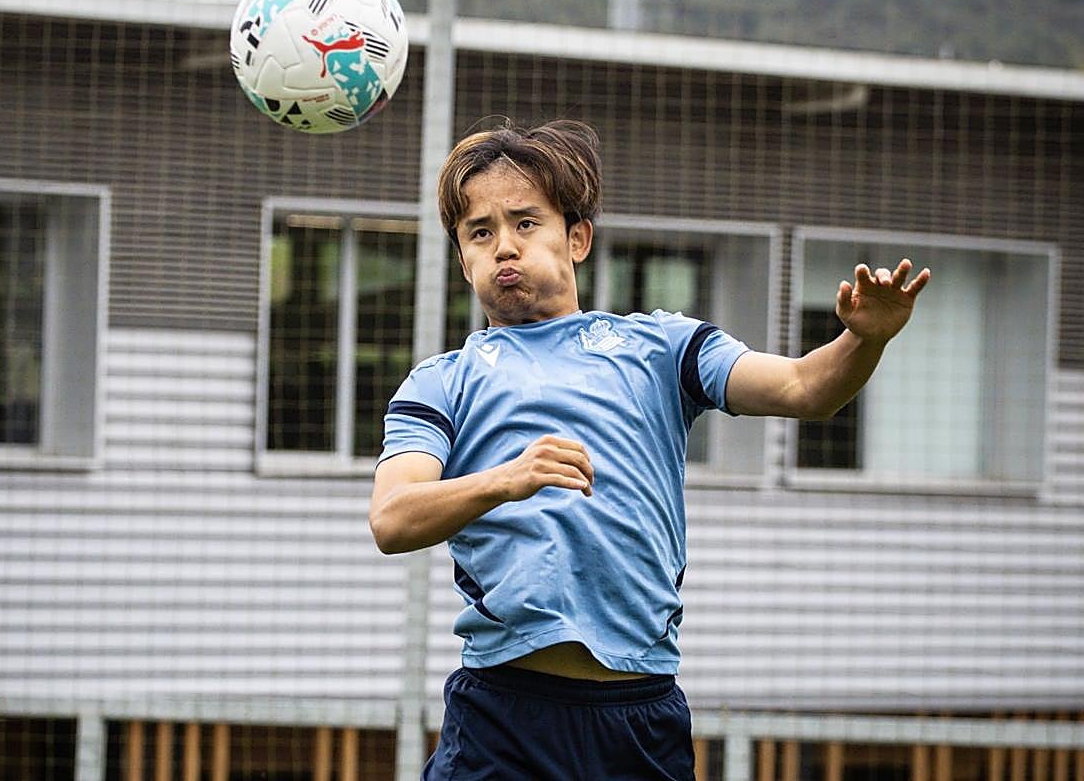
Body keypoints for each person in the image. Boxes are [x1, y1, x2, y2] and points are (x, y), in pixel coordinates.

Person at [369, 120, 930, 780]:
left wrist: (865, 340)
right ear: (462, 257)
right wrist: (504, 480)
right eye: (481, 232)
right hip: (504, 716)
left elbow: (806, 388)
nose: (504, 248)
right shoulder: (441, 381)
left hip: (640, 716)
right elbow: (392, 517)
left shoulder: (661, 347)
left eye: (526, 223)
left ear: (576, 238)